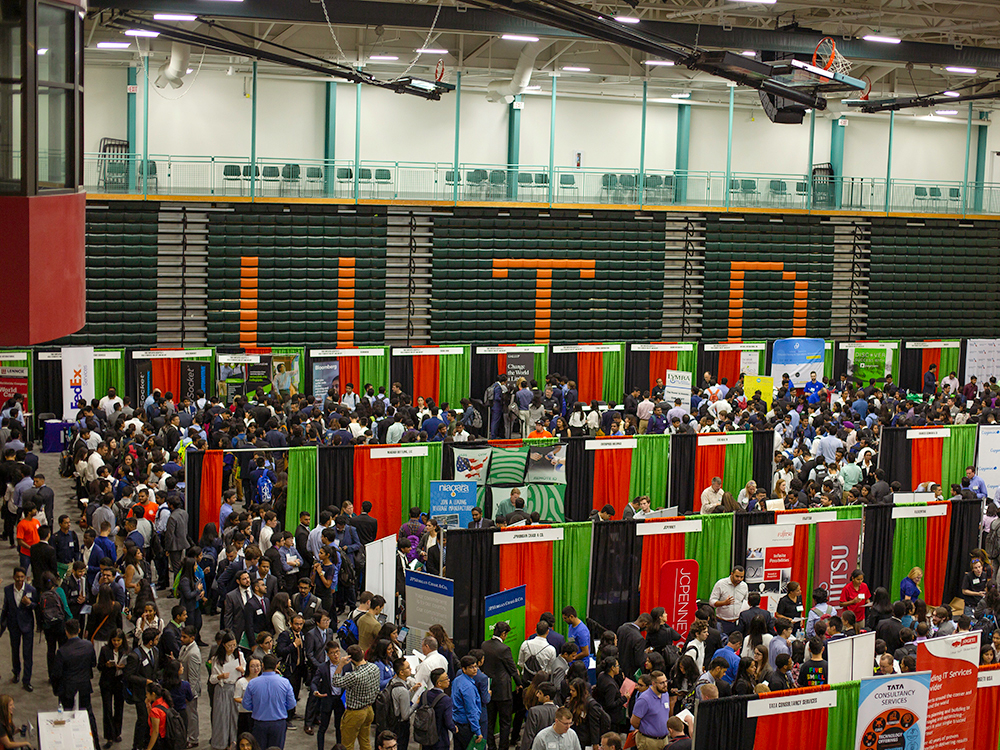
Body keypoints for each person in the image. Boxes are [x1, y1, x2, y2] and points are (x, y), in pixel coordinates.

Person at [51, 618, 101, 749]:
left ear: (66, 632)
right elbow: (93, 663)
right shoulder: (88, 646)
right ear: (79, 630)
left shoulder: (62, 651)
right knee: (89, 715)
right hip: (84, 686)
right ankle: (95, 743)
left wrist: (56, 690)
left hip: (67, 689)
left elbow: (56, 674)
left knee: (66, 716)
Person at [241, 654, 297, 750]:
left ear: (262, 665)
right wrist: (280, 708)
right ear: (276, 666)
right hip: (278, 723)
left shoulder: (253, 683)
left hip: (259, 723)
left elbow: (246, 704)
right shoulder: (285, 682)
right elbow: (292, 704)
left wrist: (257, 708)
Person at [332, 644, 382, 750]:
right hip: (369, 710)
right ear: (363, 653)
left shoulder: (354, 676)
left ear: (350, 659)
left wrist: (340, 665)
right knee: (365, 741)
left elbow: (335, 682)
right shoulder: (375, 668)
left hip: (355, 713)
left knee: (347, 744)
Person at [481, 622, 520, 750]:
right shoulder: (504, 649)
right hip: (503, 692)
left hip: (489, 689)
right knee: (505, 723)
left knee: (490, 722)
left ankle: (491, 746)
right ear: (503, 634)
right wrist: (519, 683)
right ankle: (503, 747)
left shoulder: (484, 645)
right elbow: (513, 669)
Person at [0, 567, 36, 692]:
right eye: (18, 577)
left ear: (25, 577)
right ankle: (16, 672)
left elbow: (36, 606)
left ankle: (27, 680)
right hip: (13, 625)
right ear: (14, 577)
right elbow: (5, 607)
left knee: (27, 654)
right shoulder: (8, 590)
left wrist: (29, 604)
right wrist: (2, 624)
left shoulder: (31, 590)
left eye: (22, 577)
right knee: (15, 651)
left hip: (27, 626)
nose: (20, 580)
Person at [209, 631, 245, 750]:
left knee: (235, 716)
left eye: (234, 645)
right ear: (223, 645)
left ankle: (234, 741)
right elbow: (212, 679)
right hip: (222, 689)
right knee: (222, 717)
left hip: (235, 687)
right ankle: (221, 743)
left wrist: (242, 670)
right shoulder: (216, 658)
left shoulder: (239, 655)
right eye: (229, 645)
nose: (232, 648)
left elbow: (246, 670)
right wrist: (220, 676)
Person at [99, 629, 128, 749]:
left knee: (119, 708)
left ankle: (117, 732)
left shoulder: (126, 651)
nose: (116, 643)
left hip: (119, 682)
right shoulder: (105, 650)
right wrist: (106, 665)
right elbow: (99, 666)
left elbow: (130, 667)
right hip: (107, 682)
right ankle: (109, 736)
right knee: (107, 709)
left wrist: (123, 667)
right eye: (114, 640)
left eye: (118, 640)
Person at [630, 669, 671, 750]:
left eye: (666, 681)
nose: (665, 685)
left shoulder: (665, 694)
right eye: (662, 683)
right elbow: (634, 721)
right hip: (649, 741)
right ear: (653, 683)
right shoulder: (644, 700)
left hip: (664, 740)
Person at [178, 625, 202, 748]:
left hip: (189, 691)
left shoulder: (193, 654)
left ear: (192, 638)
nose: (181, 639)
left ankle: (193, 738)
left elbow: (193, 677)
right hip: (182, 688)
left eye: (184, 637)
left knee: (191, 715)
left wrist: (190, 695)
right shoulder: (184, 648)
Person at [452, 655, 484, 750]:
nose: (475, 670)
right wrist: (478, 731)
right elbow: (471, 711)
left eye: (476, 667)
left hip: (457, 723)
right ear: (464, 669)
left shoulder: (457, 680)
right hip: (467, 726)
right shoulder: (468, 687)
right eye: (471, 667)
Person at [420, 668, 456, 750]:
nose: (449, 680)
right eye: (446, 679)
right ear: (439, 683)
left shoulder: (425, 695)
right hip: (440, 739)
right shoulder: (446, 700)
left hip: (426, 736)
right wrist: (454, 728)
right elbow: (448, 721)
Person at [709, 567, 748, 635]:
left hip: (738, 622)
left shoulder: (744, 586)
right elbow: (711, 601)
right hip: (723, 622)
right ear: (732, 574)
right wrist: (723, 603)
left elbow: (746, 601)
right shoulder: (721, 584)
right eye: (737, 576)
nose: (739, 579)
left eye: (742, 577)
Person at [143, 684, 172, 750]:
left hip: (159, 742)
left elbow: (155, 731)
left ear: (153, 694)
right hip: (166, 739)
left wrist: (149, 748)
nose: (146, 695)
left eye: (147, 693)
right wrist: (148, 707)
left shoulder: (155, 710)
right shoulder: (164, 702)